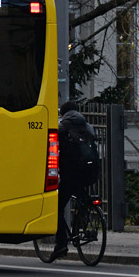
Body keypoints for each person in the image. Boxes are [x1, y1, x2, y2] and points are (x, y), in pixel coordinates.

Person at [52, 99, 97, 260]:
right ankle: (83, 223)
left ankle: (61, 245)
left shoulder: (62, 128)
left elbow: (55, 152)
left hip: (71, 174)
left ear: (63, 114)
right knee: (82, 198)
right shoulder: (88, 126)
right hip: (91, 172)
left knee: (56, 208)